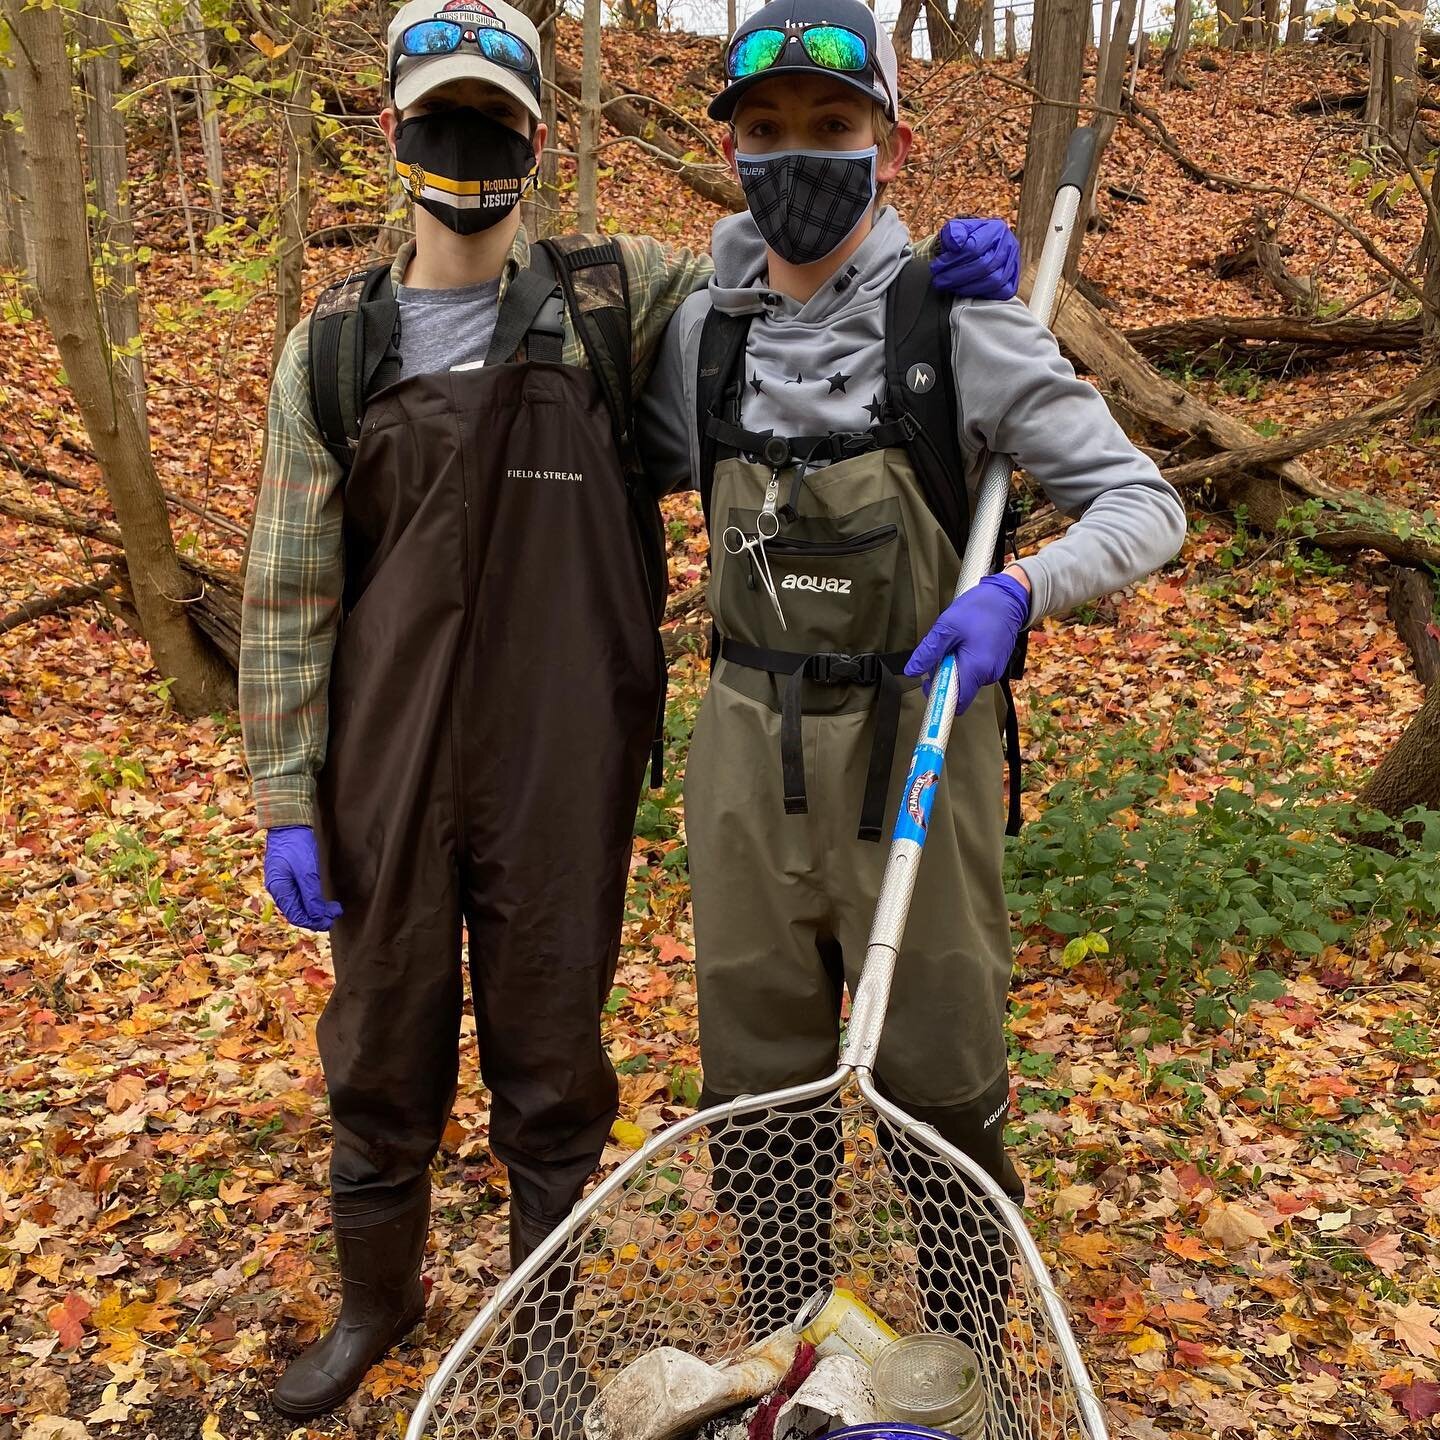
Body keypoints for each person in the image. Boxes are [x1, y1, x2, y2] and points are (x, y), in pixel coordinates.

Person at [240, 0, 1021, 1417]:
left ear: (539, 135)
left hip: (564, 761)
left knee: (552, 1066)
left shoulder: (625, 301)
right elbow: (289, 595)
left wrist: (940, 280)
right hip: (384, 771)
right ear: (388, 128)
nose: (463, 142)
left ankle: (541, 1330)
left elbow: (798, 278)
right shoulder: (333, 351)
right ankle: (377, 1306)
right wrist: (290, 799)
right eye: (436, 116)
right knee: (380, 1046)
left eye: (491, 117)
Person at [636, 0, 1187, 1355]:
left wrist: (1018, 588)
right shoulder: (699, 336)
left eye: (832, 126)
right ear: (730, 149)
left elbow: (1143, 504)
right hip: (744, 750)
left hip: (921, 742)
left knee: (943, 1067)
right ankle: (784, 1347)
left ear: (891, 139)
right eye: (762, 133)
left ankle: (958, 1353)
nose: (796, 157)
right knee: (758, 1075)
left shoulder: (961, 327)